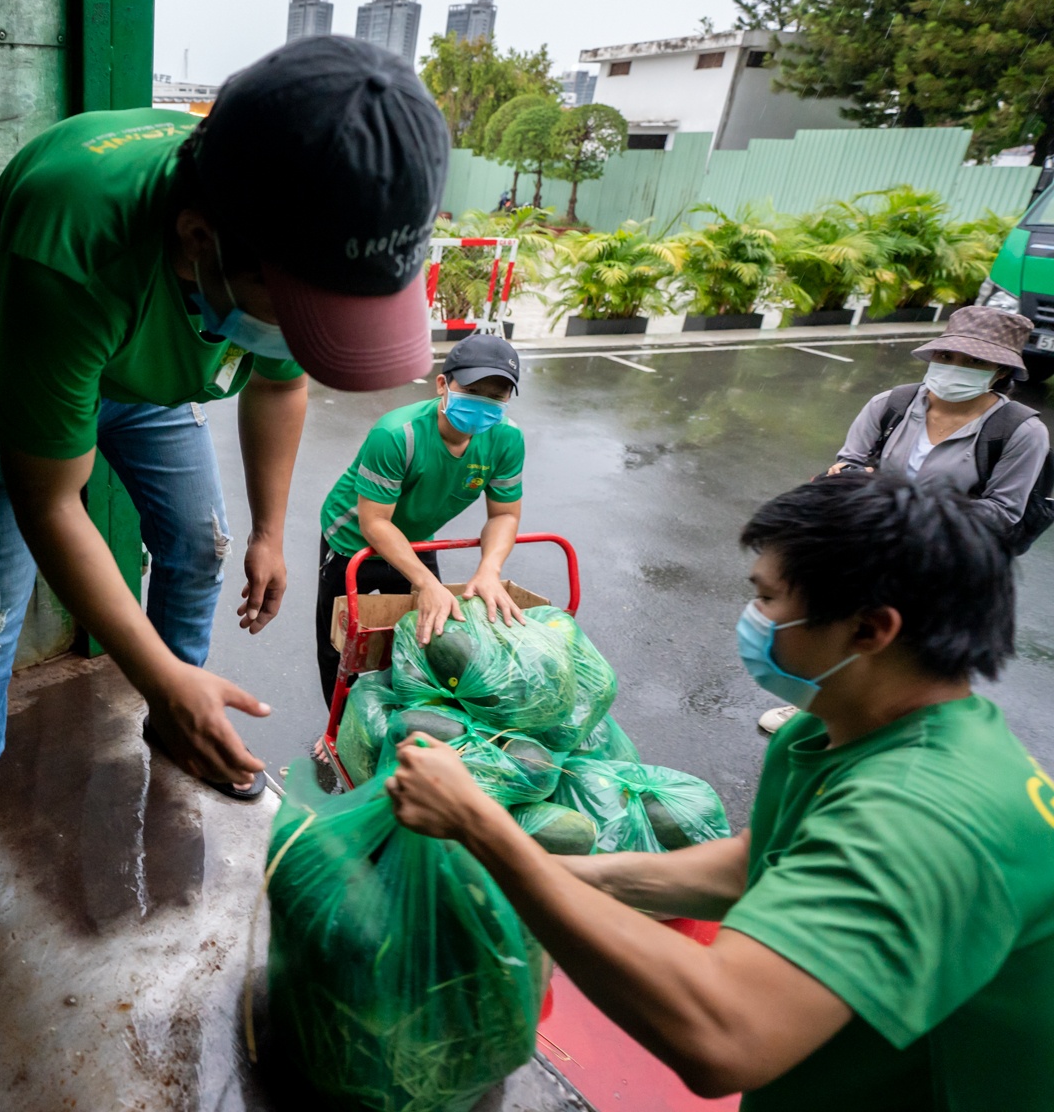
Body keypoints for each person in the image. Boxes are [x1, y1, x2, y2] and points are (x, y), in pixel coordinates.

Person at [0, 36, 451, 926]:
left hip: (153, 370)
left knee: (199, 544)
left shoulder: (278, 215)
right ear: (199, 242)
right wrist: (157, 669)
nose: (301, 341)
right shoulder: (76, 246)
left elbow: (284, 376)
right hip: (32, 361)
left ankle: (181, 722)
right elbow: (52, 500)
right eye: (295, 317)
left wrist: (267, 530)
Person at [384, 474, 1054, 1108]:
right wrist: (565, 877)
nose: (753, 616)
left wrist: (488, 832)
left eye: (768, 598)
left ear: (870, 629)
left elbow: (726, 1036)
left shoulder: (925, 811)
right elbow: (754, 862)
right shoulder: (839, 733)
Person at [756, 305, 1050, 734]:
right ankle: (817, 708)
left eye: (974, 362)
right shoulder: (891, 405)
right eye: (947, 357)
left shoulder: (1020, 432)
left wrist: (903, 501)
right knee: (845, 630)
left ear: (1000, 372)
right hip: (869, 546)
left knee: (914, 649)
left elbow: (1003, 513)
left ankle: (898, 729)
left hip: (946, 562)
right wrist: (846, 481)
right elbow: (848, 463)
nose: (955, 368)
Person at [313, 334, 526, 707]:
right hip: (352, 543)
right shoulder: (398, 434)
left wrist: (490, 569)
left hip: (415, 540)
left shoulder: (506, 439)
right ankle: (341, 724)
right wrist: (426, 582)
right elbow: (375, 522)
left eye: (496, 396)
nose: (484, 403)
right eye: (474, 389)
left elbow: (505, 514)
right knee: (343, 642)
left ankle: (407, 713)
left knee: (430, 633)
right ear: (443, 384)